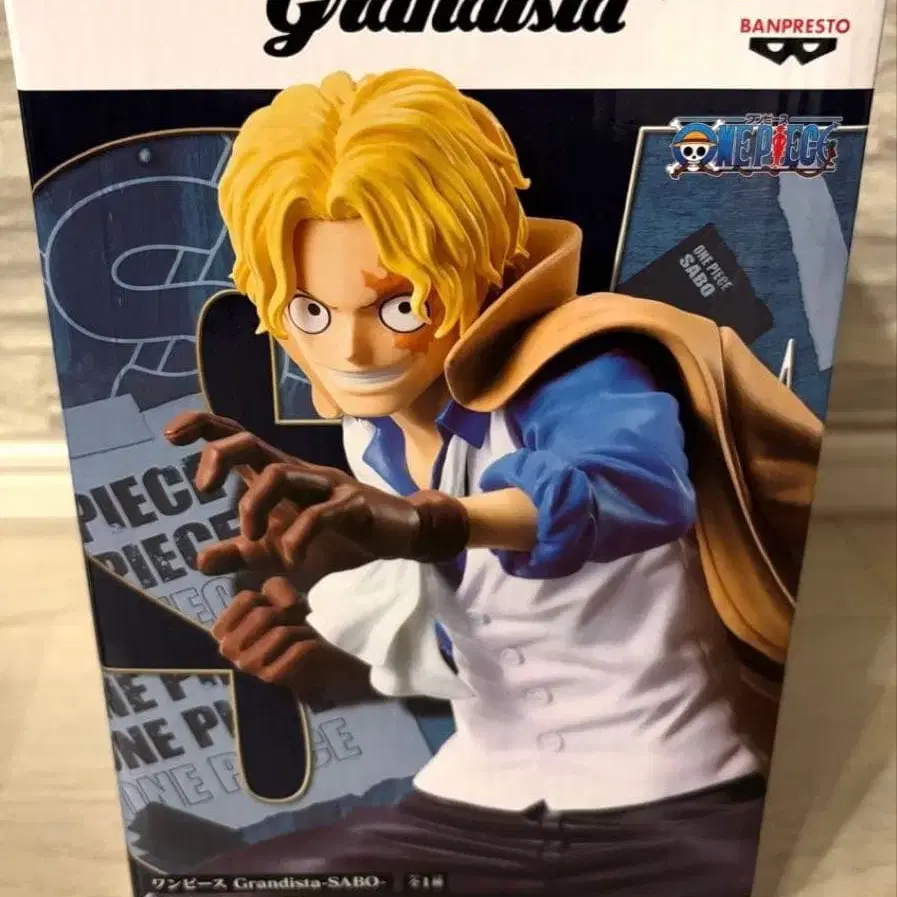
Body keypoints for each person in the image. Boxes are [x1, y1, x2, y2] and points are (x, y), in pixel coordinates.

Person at [164, 68, 822, 895]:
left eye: (400, 307)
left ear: (481, 267)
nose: (353, 350)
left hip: (678, 799)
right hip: (477, 800)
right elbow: (482, 635)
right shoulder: (371, 435)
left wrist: (424, 523)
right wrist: (326, 646)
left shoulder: (581, 371)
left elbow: (629, 489)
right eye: (310, 312)